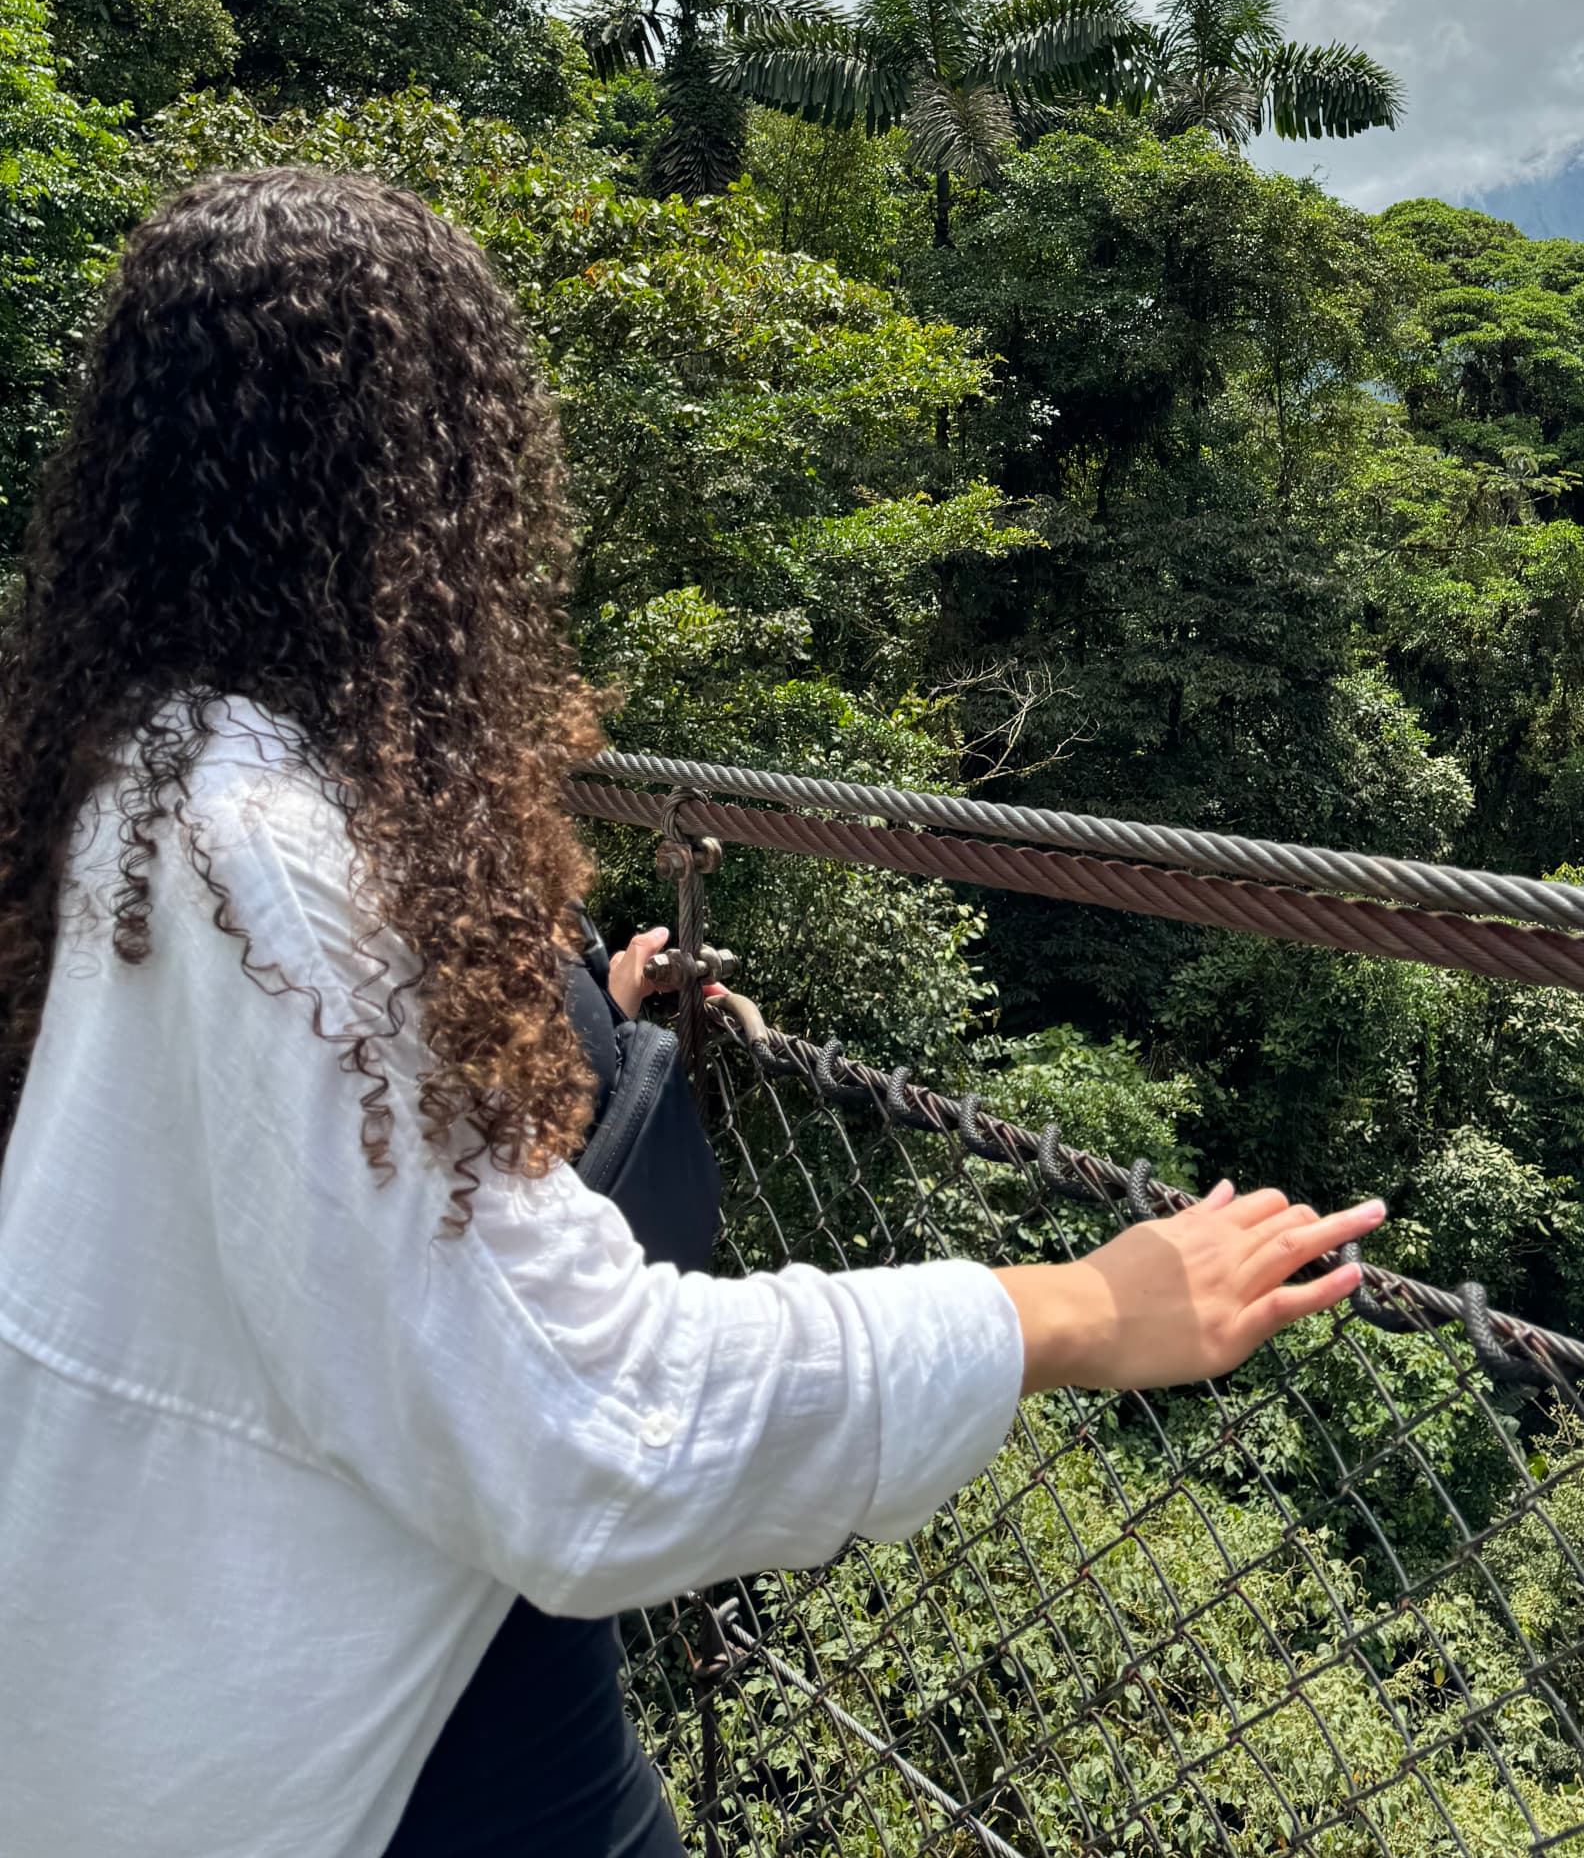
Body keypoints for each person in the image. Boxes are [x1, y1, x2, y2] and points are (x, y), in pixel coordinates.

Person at [0, 170, 1382, 1858]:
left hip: (211, 1667)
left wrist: (594, 1006)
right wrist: (1069, 1310)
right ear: (437, 483)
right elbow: (581, 1424)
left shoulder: (146, 769)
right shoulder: (277, 852)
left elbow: (329, 1156)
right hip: (385, 1748)